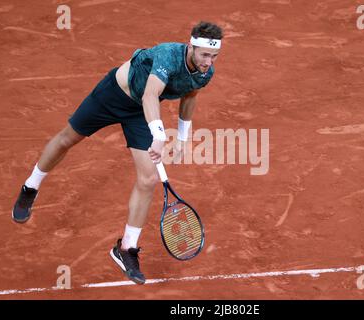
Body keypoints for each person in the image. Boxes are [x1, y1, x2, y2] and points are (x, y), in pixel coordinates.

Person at [11, 21, 223, 284]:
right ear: (191, 46)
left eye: (214, 56)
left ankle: (126, 249)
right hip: (113, 96)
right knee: (66, 139)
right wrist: (159, 135)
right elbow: (150, 95)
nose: (208, 62)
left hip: (140, 115)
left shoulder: (205, 72)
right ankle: (31, 186)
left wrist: (181, 137)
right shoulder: (169, 55)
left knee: (148, 179)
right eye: (204, 54)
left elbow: (189, 95)